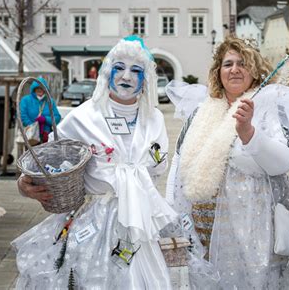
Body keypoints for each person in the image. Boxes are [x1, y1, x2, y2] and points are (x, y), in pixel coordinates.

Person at [13, 36, 178, 289]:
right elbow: (48, 163)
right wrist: (25, 185)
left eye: (136, 70)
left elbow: (160, 166)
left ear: (146, 80)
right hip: (92, 224)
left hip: (143, 223)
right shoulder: (82, 118)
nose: (126, 76)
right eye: (119, 67)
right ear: (107, 72)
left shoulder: (153, 119)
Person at [165, 36, 289, 289]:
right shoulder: (201, 111)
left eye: (242, 63)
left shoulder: (270, 105)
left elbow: (284, 162)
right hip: (204, 228)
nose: (234, 69)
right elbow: (178, 165)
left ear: (255, 70)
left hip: (255, 230)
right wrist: (172, 217)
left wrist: (249, 133)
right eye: (227, 64)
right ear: (218, 72)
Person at [19, 77, 61, 144]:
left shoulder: (50, 101)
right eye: (37, 88)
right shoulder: (25, 100)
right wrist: (34, 128)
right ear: (34, 89)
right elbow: (22, 116)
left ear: (45, 89)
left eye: (42, 88)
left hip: (46, 137)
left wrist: (45, 119)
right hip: (31, 137)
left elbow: (57, 118)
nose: (40, 90)